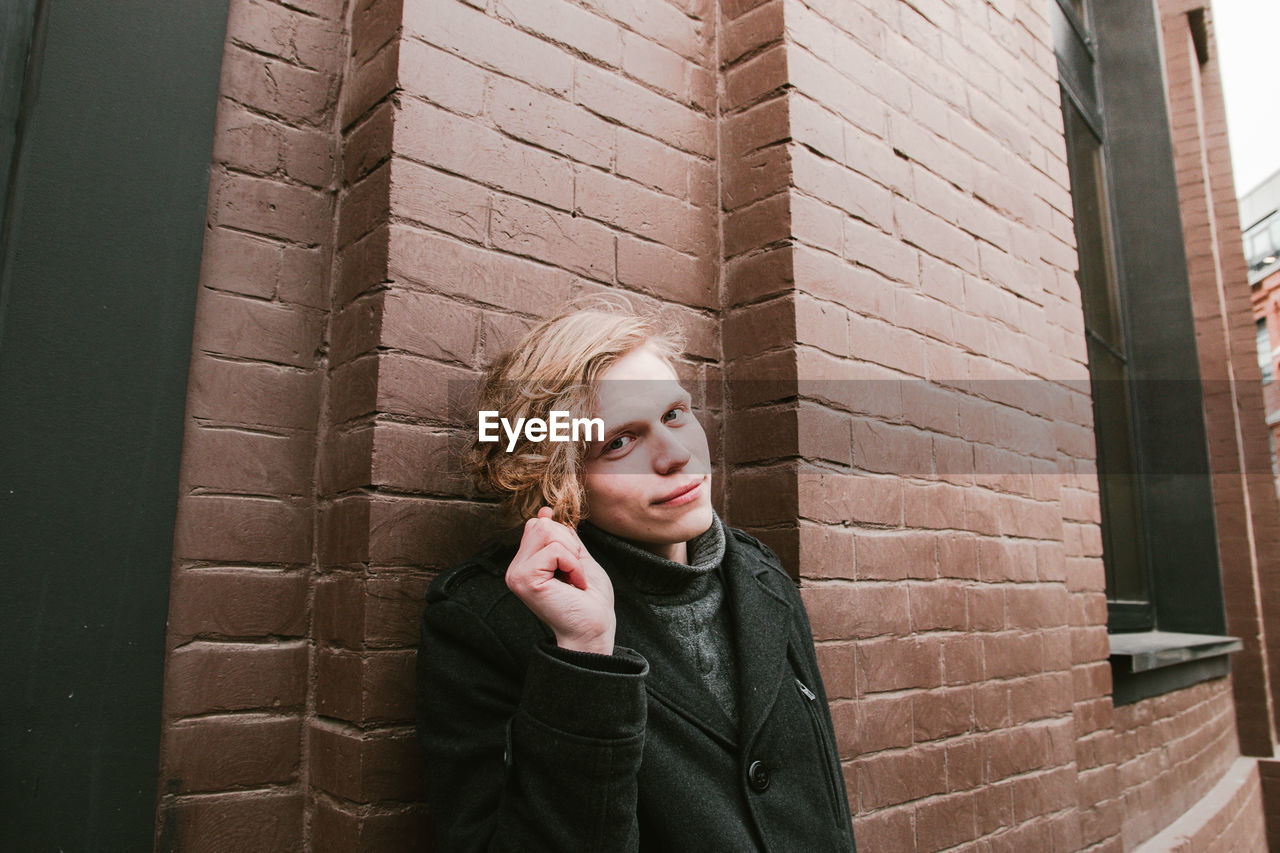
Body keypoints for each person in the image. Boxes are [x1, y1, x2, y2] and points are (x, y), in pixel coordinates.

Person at [415, 300, 857, 852]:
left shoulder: (763, 578)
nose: (676, 455)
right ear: (559, 476)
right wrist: (585, 657)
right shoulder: (486, 627)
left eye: (675, 414)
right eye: (619, 441)